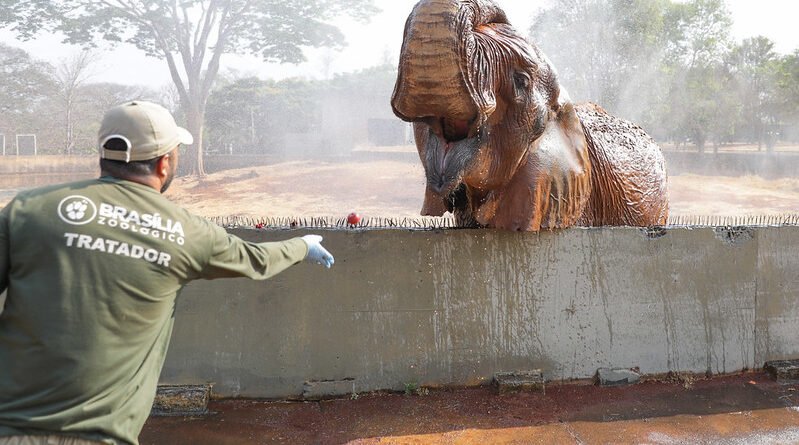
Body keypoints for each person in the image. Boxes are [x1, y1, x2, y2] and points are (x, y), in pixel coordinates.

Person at [0, 101, 335, 445]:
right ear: (164, 163)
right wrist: (302, 245)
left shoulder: (30, 209)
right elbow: (256, 259)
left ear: (104, 154)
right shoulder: (185, 232)